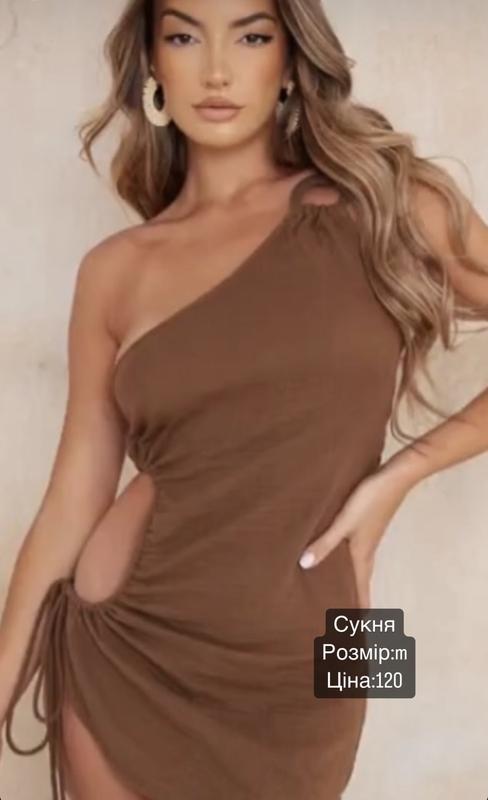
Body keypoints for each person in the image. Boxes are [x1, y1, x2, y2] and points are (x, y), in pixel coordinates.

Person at [1, 1, 488, 798]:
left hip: (329, 639)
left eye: (253, 36)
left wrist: (401, 477)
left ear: (292, 61)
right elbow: (72, 496)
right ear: (152, 65)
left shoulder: (387, 201)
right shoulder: (115, 268)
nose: (218, 69)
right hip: (127, 643)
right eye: (184, 36)